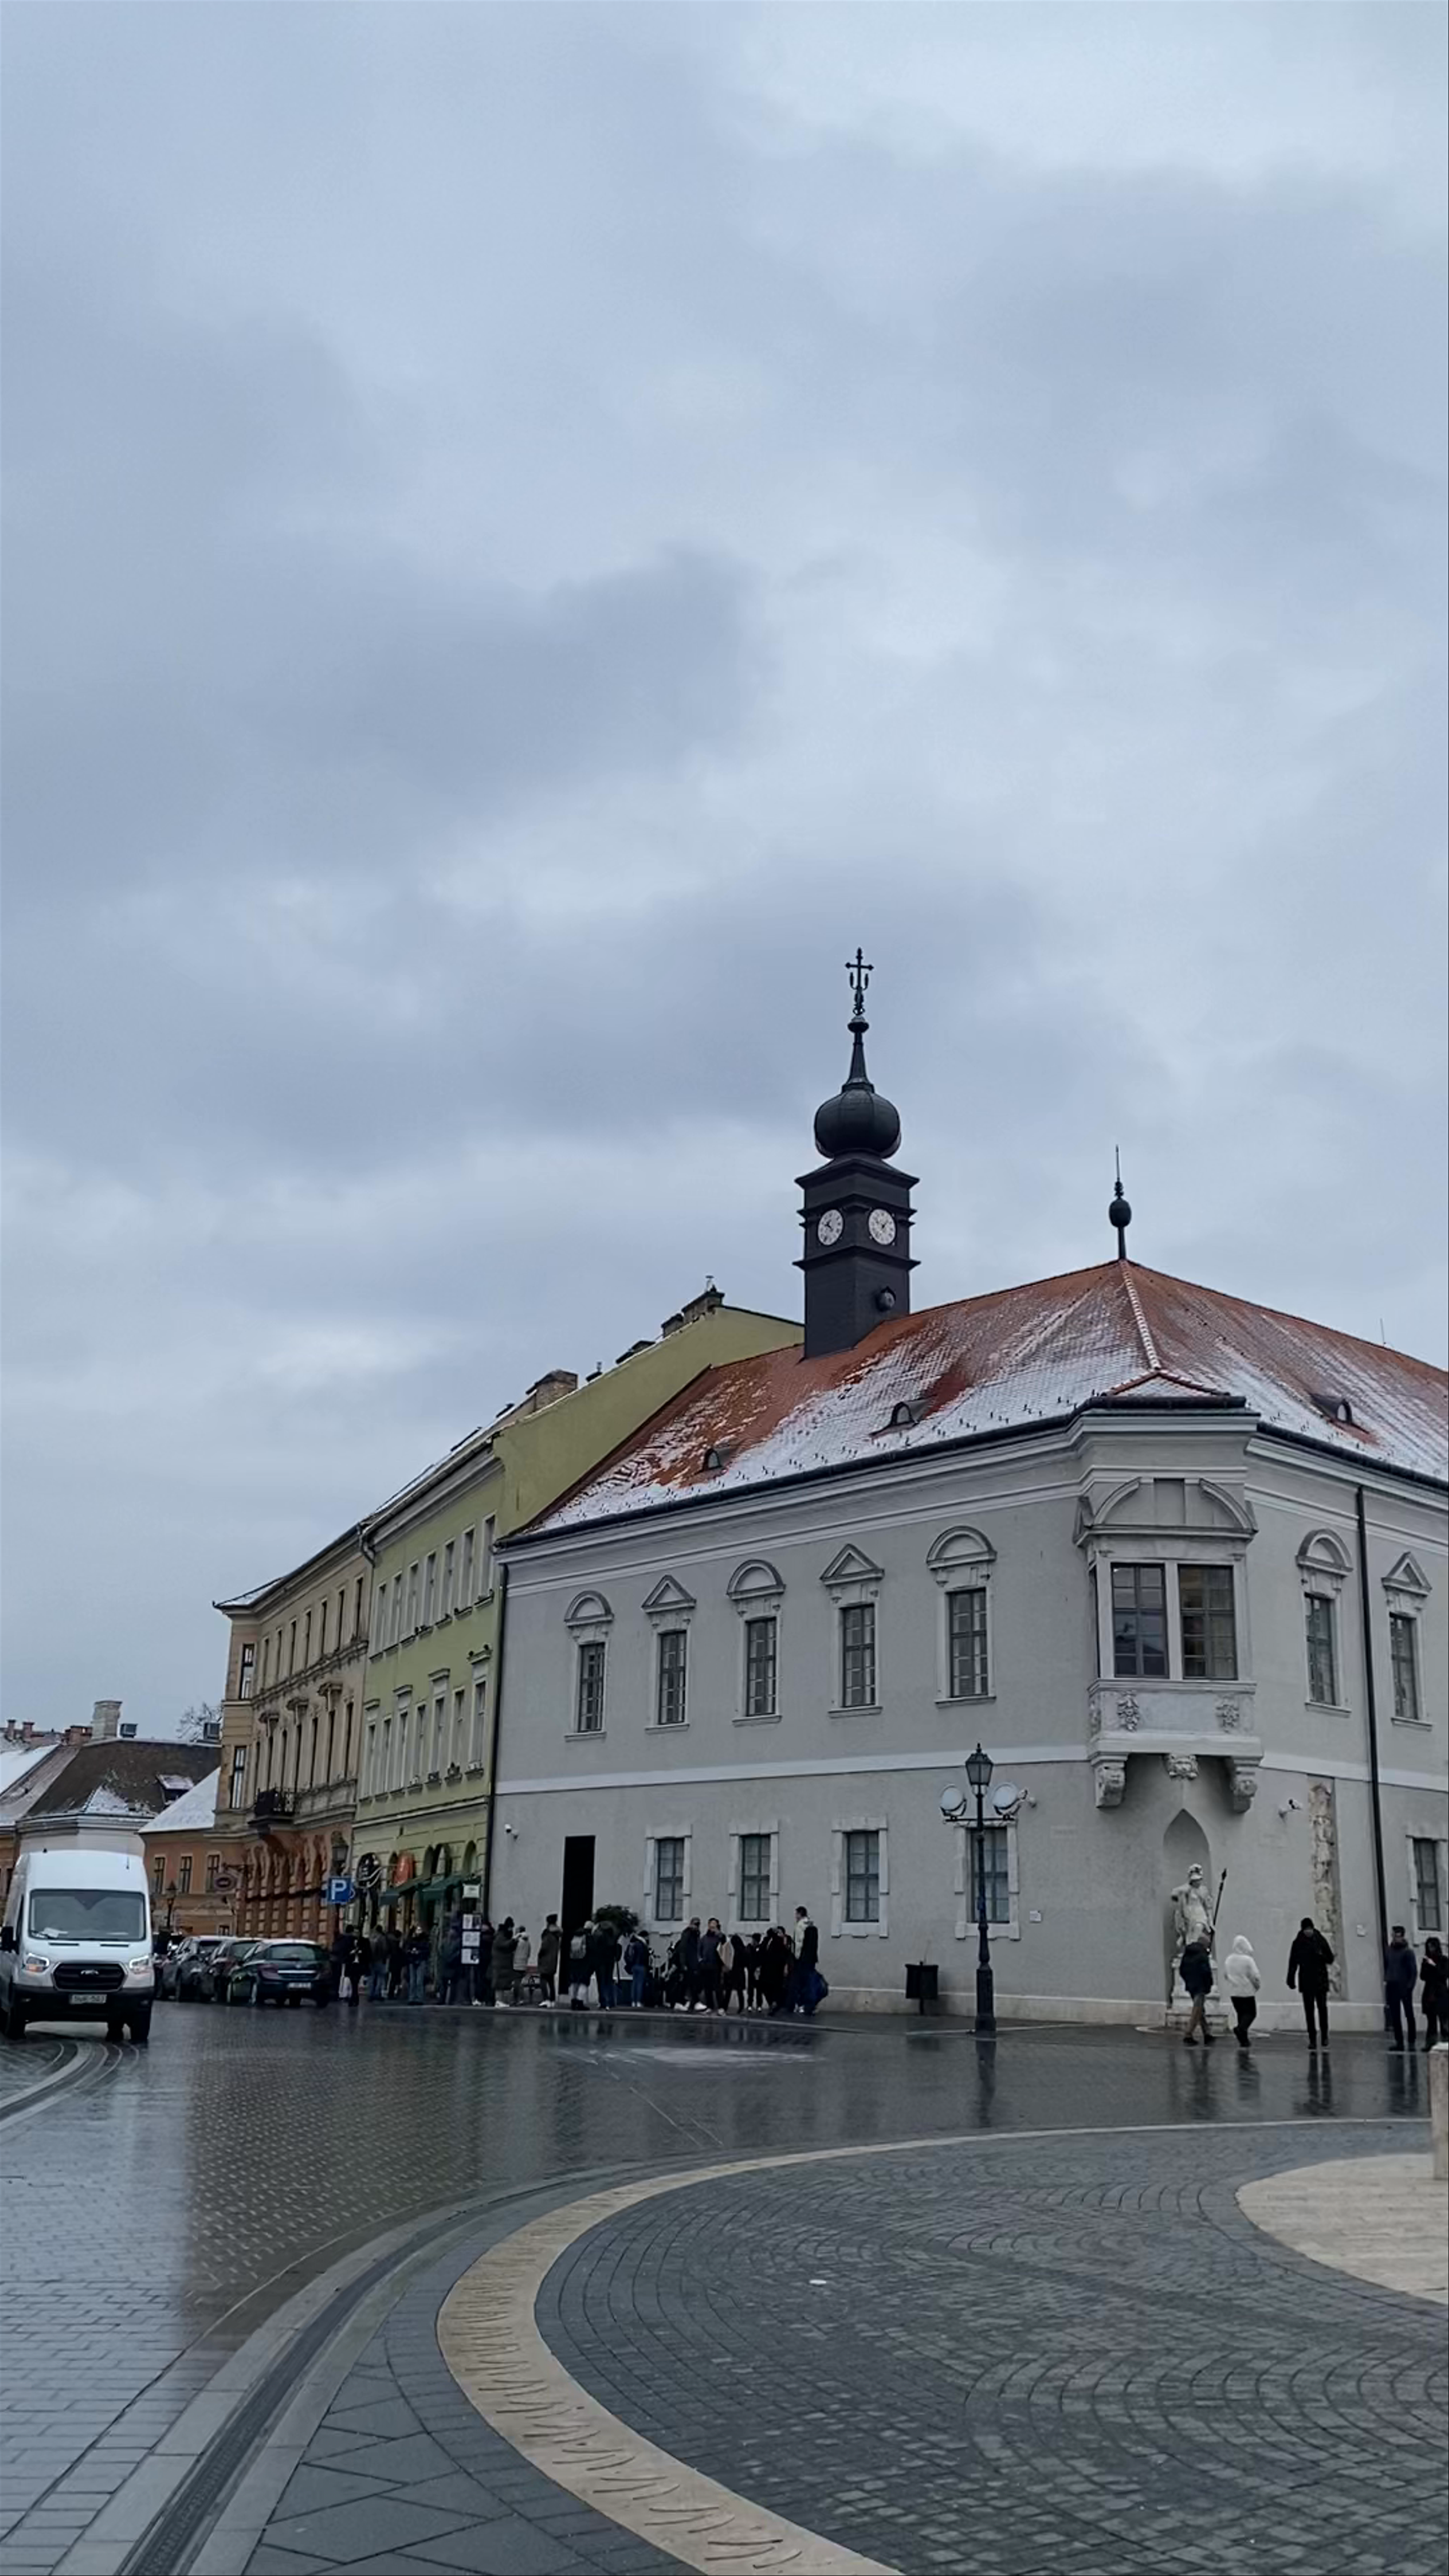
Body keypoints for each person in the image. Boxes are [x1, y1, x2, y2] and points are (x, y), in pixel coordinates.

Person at [1286, 1917, 1334, 2050]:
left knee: (1322, 2010)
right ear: (1303, 1930)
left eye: (1310, 1929)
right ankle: (1312, 2038)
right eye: (1306, 1930)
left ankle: (1325, 2036)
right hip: (1306, 1981)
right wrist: (1291, 1978)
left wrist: (1321, 1956)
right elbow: (1293, 1962)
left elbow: (1330, 1958)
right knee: (1309, 2012)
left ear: (1313, 1928)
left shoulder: (1320, 1940)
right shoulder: (1298, 1943)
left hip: (1320, 1980)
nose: (1309, 1932)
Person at [1223, 1934, 1261, 2048]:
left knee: (1241, 2015)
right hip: (1247, 1991)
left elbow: (1225, 1975)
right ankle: (1240, 2030)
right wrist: (1257, 1986)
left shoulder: (1229, 1960)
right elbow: (1255, 1976)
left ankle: (1244, 2040)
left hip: (1234, 1993)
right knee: (1251, 2014)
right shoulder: (1248, 1960)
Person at [1384, 1925, 1419, 2051]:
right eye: (1394, 1935)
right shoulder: (1389, 1950)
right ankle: (1399, 2041)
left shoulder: (1408, 1952)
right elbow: (1387, 1966)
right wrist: (1387, 1980)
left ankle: (1412, 2039)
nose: (1395, 1938)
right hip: (1392, 1985)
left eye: (1397, 1936)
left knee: (1409, 2013)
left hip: (1404, 1986)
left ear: (1402, 1936)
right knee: (1395, 2015)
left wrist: (1410, 1986)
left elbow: (1413, 1971)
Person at [1179, 1935, 1215, 2044]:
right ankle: (1188, 2034)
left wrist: (1188, 1981)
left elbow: (1182, 1970)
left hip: (1191, 1985)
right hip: (1200, 1986)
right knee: (1197, 2011)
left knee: (1200, 2010)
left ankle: (1207, 2034)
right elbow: (1206, 1972)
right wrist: (1209, 1985)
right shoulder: (1202, 1955)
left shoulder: (1188, 1954)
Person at [791, 1906, 820, 2015]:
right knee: (810, 1982)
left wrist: (797, 1957)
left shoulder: (800, 1926)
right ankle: (812, 2005)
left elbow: (799, 1943)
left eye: (796, 1914)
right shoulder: (811, 1924)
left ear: (799, 1914)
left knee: (800, 1983)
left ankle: (801, 2005)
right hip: (812, 1959)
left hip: (803, 1959)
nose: (795, 1917)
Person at [1420, 1936, 1447, 2044]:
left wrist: (1434, 1966)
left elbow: (1444, 1975)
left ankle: (1446, 2043)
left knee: (1444, 2021)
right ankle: (1431, 2044)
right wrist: (1428, 1966)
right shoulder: (1426, 1960)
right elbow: (1423, 1976)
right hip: (1430, 1993)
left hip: (1441, 1994)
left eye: (1433, 1947)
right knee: (1431, 2022)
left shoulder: (1444, 1960)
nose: (1431, 1949)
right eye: (1429, 1947)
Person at [759, 1925, 791, 2015]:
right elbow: (762, 1951)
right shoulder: (766, 1941)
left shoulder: (780, 1941)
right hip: (766, 1968)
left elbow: (785, 1954)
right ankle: (772, 2003)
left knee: (776, 1987)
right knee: (765, 1987)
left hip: (776, 1968)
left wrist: (785, 1966)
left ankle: (774, 2004)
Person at [439, 1911, 465, 2005]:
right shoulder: (456, 1941)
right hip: (451, 1964)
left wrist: (446, 1958)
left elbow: (441, 1951)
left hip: (447, 1964)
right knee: (451, 1984)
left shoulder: (447, 1941)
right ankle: (449, 2000)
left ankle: (445, 2000)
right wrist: (453, 1958)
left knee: (447, 1984)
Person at [700, 1920, 725, 2013]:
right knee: (708, 1989)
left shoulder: (720, 1937)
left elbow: (725, 1945)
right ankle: (710, 2006)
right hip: (706, 1966)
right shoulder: (704, 1939)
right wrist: (701, 1961)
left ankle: (721, 2008)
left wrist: (720, 1934)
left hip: (716, 1966)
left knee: (718, 1988)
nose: (712, 1928)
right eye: (711, 1926)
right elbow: (700, 1951)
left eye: (714, 1927)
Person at [492, 1917, 518, 2007]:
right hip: (500, 1964)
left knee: (503, 1984)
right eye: (511, 1928)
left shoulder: (504, 1936)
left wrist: (515, 1941)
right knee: (499, 1984)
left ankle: (501, 2001)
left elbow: (510, 1947)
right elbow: (505, 1945)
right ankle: (499, 2001)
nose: (511, 1930)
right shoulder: (500, 1936)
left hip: (503, 1964)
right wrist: (514, 1940)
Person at [536, 1915, 561, 2007]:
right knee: (551, 1981)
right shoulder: (557, 1935)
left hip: (546, 1960)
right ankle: (552, 2000)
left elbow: (544, 1948)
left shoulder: (548, 1934)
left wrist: (540, 1955)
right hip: (553, 1960)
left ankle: (546, 1999)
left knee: (543, 1980)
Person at [471, 1917, 495, 2007]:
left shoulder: (484, 1936)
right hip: (484, 1960)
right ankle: (486, 1999)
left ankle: (483, 1998)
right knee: (484, 1981)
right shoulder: (491, 1935)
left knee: (483, 1980)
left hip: (484, 1961)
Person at [567, 1920, 593, 2006]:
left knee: (574, 1982)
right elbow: (591, 1951)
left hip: (574, 1961)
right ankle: (580, 2001)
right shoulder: (588, 1937)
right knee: (584, 1982)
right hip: (584, 1962)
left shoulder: (576, 1936)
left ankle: (573, 2001)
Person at [623, 1927, 651, 2008]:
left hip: (634, 1966)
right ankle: (639, 2002)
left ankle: (634, 2002)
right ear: (645, 1937)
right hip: (641, 1966)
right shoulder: (642, 1944)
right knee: (640, 1985)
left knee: (634, 1984)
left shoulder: (633, 1943)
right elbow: (645, 1957)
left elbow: (627, 1956)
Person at [723, 1933, 748, 2015]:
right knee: (740, 1992)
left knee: (728, 1991)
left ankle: (725, 2007)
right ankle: (741, 2008)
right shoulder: (743, 1950)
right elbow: (745, 1963)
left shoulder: (732, 1950)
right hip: (740, 1973)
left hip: (732, 1973)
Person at [405, 1923, 430, 2005]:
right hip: (412, 1960)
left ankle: (419, 1999)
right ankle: (412, 1998)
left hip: (421, 1960)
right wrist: (411, 1952)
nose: (418, 1931)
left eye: (420, 1930)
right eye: (417, 1930)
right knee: (413, 1981)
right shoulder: (411, 1939)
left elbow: (427, 1951)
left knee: (419, 1981)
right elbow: (406, 1949)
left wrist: (419, 1952)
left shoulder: (425, 1939)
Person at [368, 1925, 390, 2002]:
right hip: (380, 1960)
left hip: (371, 1960)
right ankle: (377, 1994)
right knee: (380, 1978)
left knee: (371, 1978)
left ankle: (370, 1994)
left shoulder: (371, 1938)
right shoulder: (383, 1938)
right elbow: (385, 1949)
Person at [513, 1925, 532, 2003]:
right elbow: (529, 1954)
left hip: (516, 1964)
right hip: (524, 1964)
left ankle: (517, 1999)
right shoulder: (528, 1942)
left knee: (517, 1983)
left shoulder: (518, 1941)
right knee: (521, 1982)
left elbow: (513, 1951)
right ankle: (522, 1999)